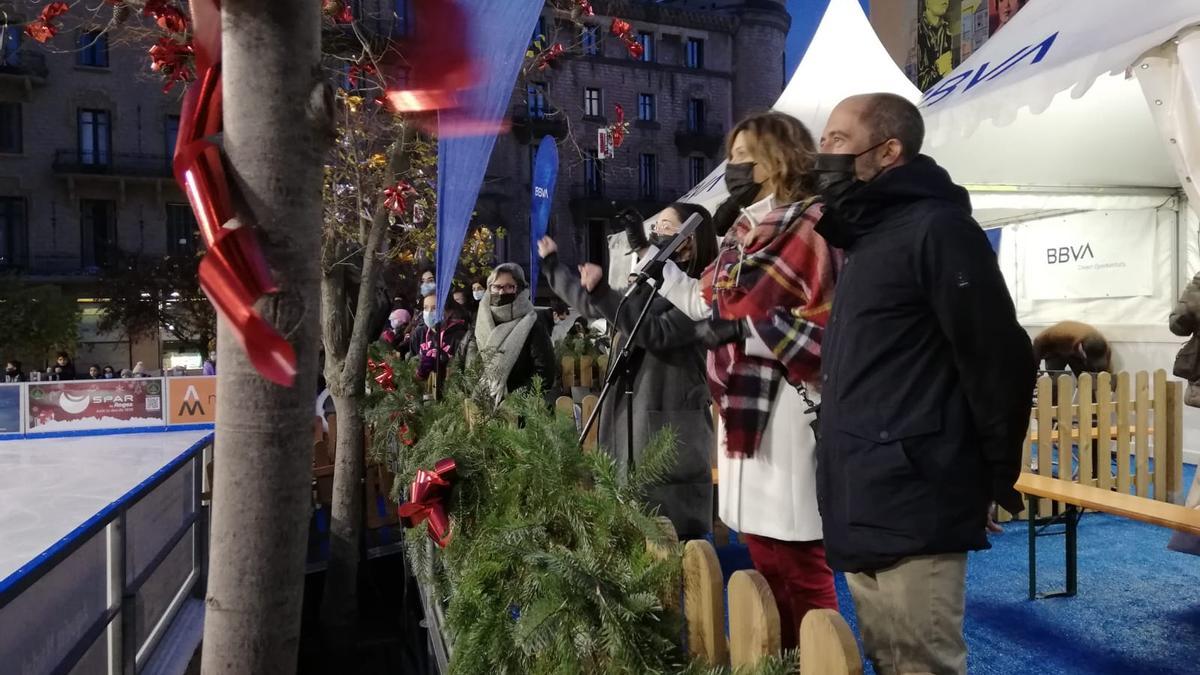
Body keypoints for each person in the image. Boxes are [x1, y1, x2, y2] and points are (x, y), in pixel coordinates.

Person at [814, 93, 1035, 675]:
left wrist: (993, 475)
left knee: (923, 663)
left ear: (888, 151)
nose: (823, 150)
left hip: (918, 494)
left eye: (838, 138)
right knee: (888, 659)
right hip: (865, 490)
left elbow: (998, 357)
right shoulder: (866, 236)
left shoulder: (937, 229)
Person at [538, 204, 719, 539]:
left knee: (673, 535)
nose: (654, 232)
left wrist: (603, 291)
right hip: (630, 417)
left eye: (664, 225)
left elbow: (655, 332)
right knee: (633, 527)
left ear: (688, 240)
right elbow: (595, 304)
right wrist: (553, 267)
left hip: (667, 420)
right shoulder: (649, 288)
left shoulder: (703, 293)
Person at [467, 263, 557, 403]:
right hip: (480, 406)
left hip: (520, 413)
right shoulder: (479, 321)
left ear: (519, 289)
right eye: (496, 287)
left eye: (509, 286)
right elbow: (465, 360)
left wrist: (514, 402)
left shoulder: (533, 323)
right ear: (489, 288)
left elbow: (545, 373)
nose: (502, 292)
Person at [410, 295, 470, 381]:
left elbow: (462, 372)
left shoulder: (459, 337)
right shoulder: (419, 332)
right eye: (425, 308)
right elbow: (410, 362)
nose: (429, 312)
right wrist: (418, 369)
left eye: (435, 309)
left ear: (449, 312)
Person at [1033, 321, 1111, 376]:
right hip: (1056, 350)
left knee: (1086, 380)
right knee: (1055, 380)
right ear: (1081, 347)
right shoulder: (1061, 333)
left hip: (1077, 355)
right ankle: (1054, 397)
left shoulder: (1105, 348)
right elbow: (1038, 342)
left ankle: (1089, 398)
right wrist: (1034, 367)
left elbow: (1105, 371)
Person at [917, 0, 953, 91]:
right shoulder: (917, 32)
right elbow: (914, 81)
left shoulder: (947, 31)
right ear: (927, 3)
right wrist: (938, 69)